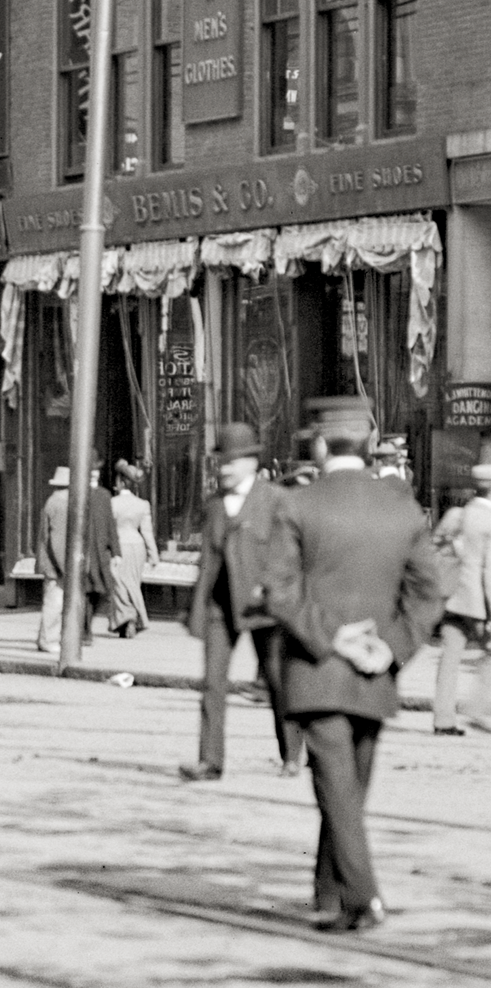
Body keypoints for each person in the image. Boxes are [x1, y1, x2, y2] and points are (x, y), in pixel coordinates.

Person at [265, 396, 441, 933]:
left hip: (316, 672)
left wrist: (331, 637)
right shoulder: (403, 508)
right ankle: (329, 896)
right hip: (375, 675)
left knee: (337, 789)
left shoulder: (296, 505)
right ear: (368, 443)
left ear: (319, 445)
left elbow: (279, 591)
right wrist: (392, 646)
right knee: (348, 789)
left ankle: (360, 897)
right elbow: (429, 593)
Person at [180, 424, 305, 782]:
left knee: (278, 683)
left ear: (252, 462)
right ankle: (210, 761)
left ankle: (292, 754)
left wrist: (276, 593)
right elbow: (207, 562)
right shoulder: (214, 505)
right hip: (221, 607)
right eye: (221, 462)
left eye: (232, 462)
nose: (224, 469)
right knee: (212, 683)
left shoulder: (277, 500)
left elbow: (288, 555)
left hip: (263, 607)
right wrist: (197, 610)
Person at [430, 466, 491, 736]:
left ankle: (443, 719)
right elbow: (488, 571)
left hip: (451, 595)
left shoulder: (458, 514)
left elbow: (435, 548)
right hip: (477, 600)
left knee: (450, 656)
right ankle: (478, 710)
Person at [108, 461, 159, 639]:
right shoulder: (142, 504)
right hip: (137, 547)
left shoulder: (112, 503)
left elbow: (109, 530)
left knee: (119, 586)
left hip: (118, 547)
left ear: (121, 482)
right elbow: (147, 532)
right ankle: (135, 617)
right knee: (133, 584)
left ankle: (127, 618)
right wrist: (153, 555)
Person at [84, 449, 121, 640]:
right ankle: (84, 630)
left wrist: (117, 552)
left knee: (99, 592)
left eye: (96, 470)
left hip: (100, 552)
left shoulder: (104, 495)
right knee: (84, 591)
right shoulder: (77, 493)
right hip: (83, 551)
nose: (95, 473)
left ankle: (87, 625)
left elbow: (111, 525)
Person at [35, 466, 71, 654]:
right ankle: (48, 639)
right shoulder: (61, 504)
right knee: (54, 603)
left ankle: (45, 638)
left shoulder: (53, 501)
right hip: (55, 565)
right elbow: (57, 540)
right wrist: (66, 568)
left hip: (51, 563)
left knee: (54, 601)